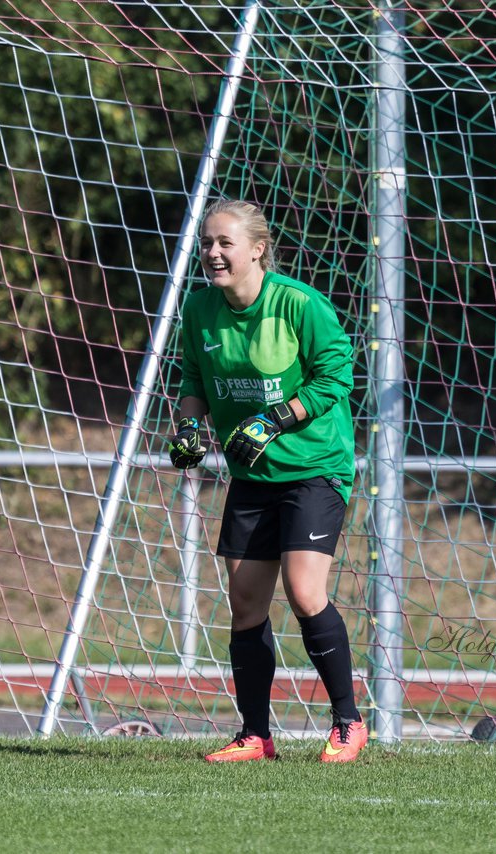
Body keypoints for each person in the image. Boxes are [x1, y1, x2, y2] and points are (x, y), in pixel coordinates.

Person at [166, 199, 365, 763]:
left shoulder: (299, 304)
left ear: (257, 249)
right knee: (246, 603)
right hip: (251, 474)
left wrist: (276, 418)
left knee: (305, 593)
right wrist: (186, 425)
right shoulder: (200, 308)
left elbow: (337, 377)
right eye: (208, 243)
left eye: (225, 242)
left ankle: (349, 723)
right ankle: (255, 735)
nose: (213, 253)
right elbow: (193, 378)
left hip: (313, 469)